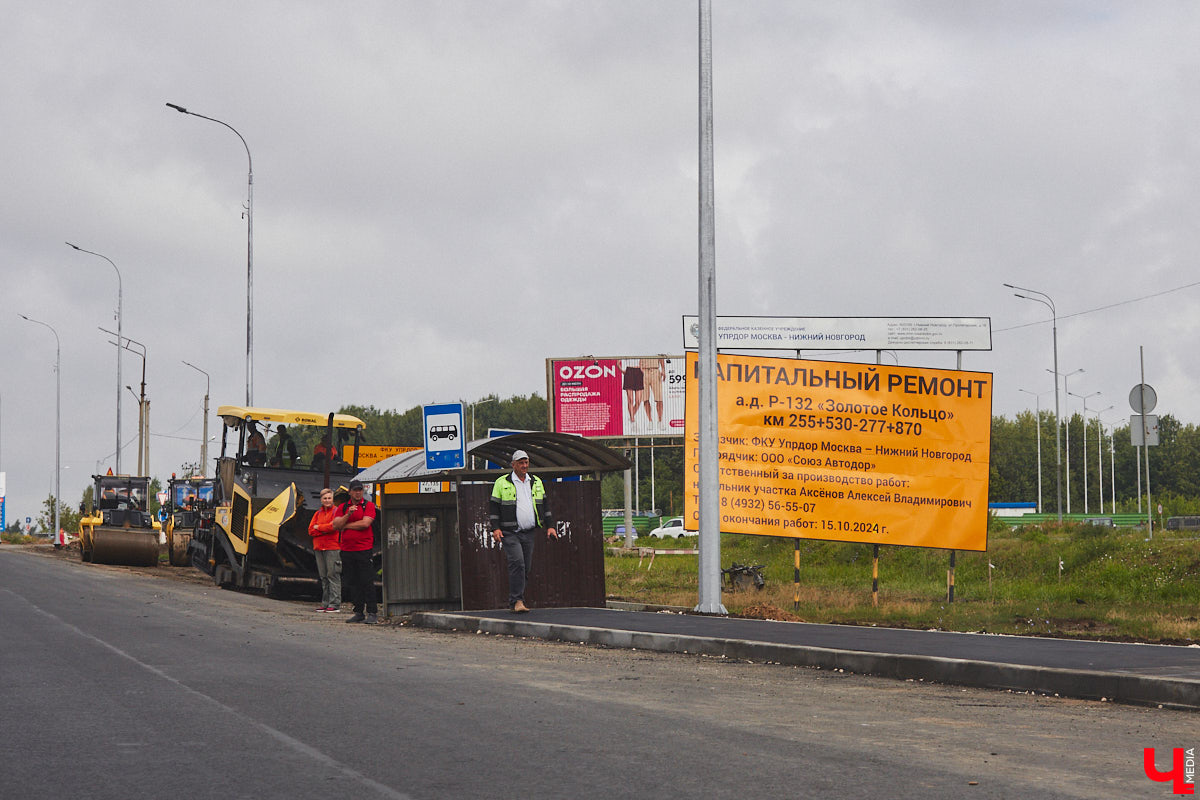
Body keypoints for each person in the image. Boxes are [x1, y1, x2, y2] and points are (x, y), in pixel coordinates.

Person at [489, 450, 557, 613]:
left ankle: (516, 599)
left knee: (525, 567)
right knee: (517, 563)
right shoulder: (502, 482)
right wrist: (495, 528)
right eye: (521, 463)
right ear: (513, 465)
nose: (524, 466)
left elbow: (545, 506)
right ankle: (517, 601)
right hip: (509, 531)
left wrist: (550, 526)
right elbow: (493, 507)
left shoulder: (536, 482)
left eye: (526, 462)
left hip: (529, 532)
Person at [333, 479, 377, 624]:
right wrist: (348, 516)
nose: (358, 493)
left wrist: (346, 525)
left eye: (360, 490)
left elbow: (365, 523)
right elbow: (336, 525)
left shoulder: (368, 506)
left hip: (363, 549)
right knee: (353, 582)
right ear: (350, 492)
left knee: (367, 581)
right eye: (355, 490)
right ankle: (358, 611)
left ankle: (372, 612)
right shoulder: (343, 507)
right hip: (347, 549)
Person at [308, 487, 342, 613]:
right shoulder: (317, 514)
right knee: (324, 576)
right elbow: (311, 530)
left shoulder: (337, 512)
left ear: (333, 499)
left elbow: (334, 526)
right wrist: (324, 529)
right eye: (325, 498)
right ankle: (325, 603)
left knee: (332, 575)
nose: (327, 500)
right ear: (321, 500)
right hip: (319, 548)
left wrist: (319, 527)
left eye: (329, 498)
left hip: (332, 547)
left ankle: (335, 604)